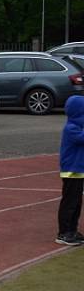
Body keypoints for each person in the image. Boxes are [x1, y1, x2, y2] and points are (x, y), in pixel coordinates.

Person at [55, 95, 84, 246]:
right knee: (70, 202)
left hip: (79, 171)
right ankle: (63, 232)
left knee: (77, 202)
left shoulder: (78, 127)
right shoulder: (71, 128)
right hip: (71, 171)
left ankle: (72, 230)